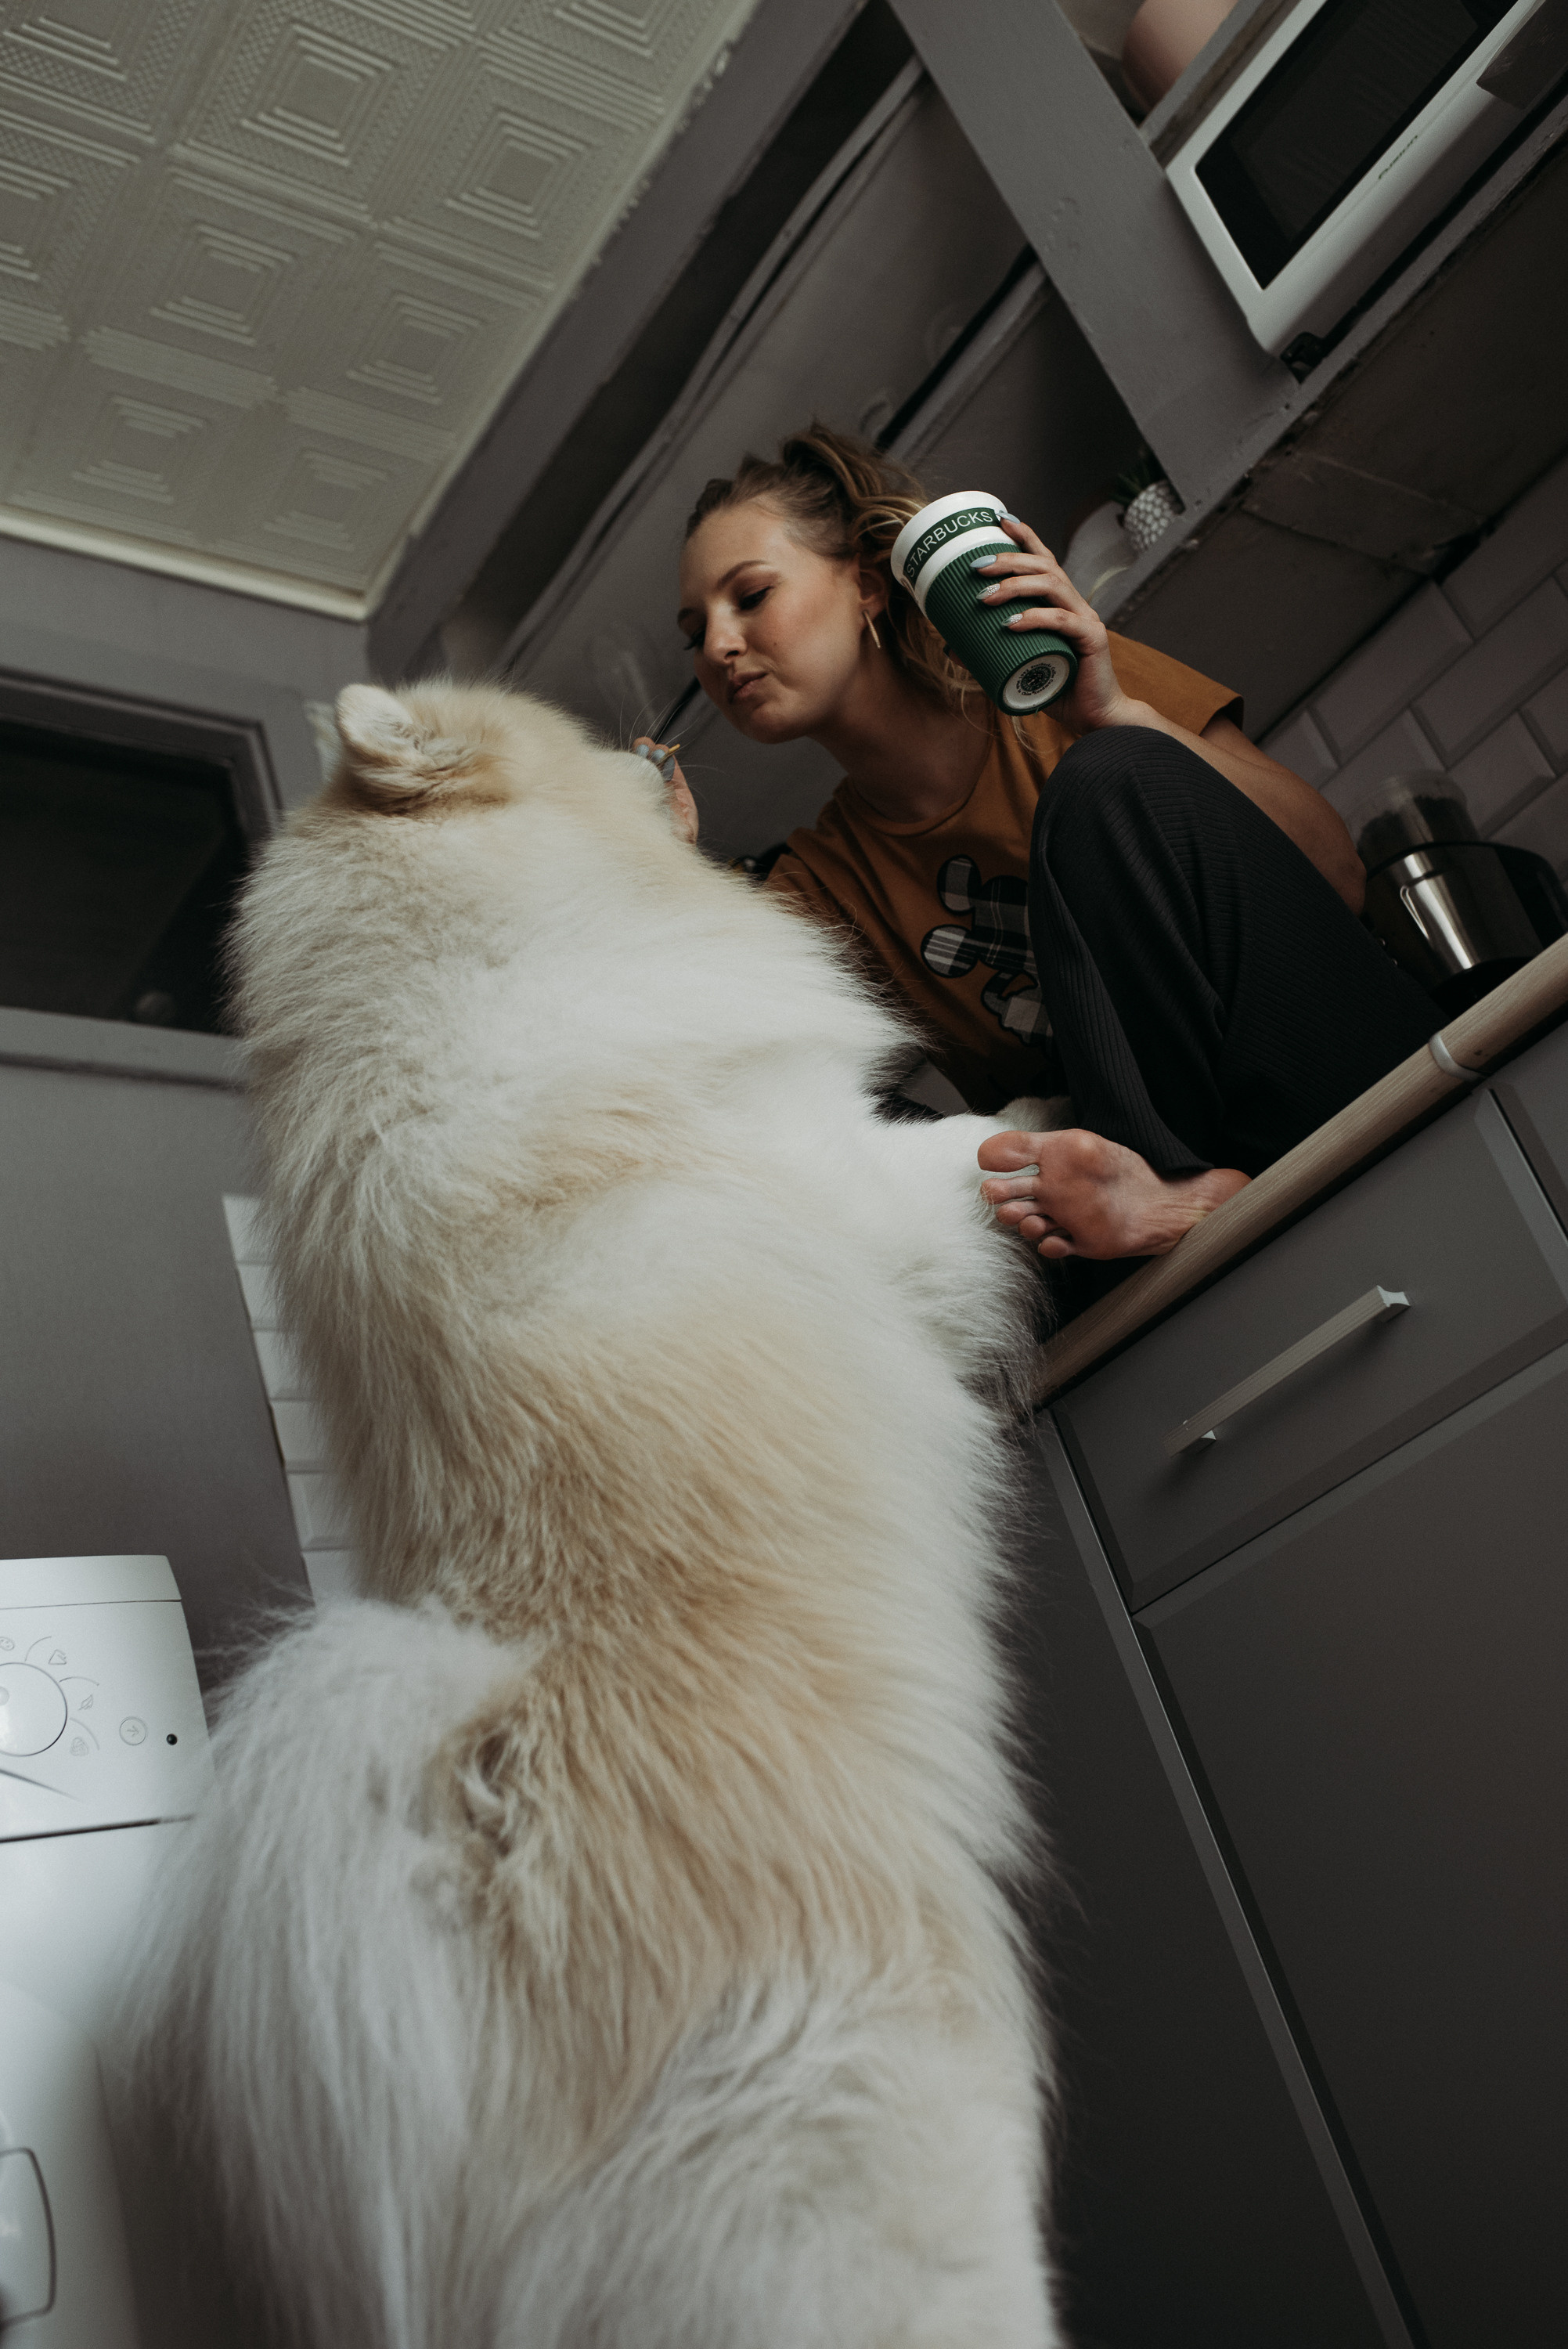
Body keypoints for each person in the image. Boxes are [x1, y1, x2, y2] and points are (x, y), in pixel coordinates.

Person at [663, 424, 1436, 1279]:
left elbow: (1336, 877)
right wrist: (657, 881)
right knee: (831, 1119)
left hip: (1328, 1070)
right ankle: (1172, 1186)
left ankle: (1169, 1183)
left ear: (868, 588)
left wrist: (1113, 713)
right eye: (693, 631)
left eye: (750, 596)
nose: (718, 648)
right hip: (1113, 1210)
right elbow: (727, 1096)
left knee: (1108, 774)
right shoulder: (818, 887)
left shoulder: (1048, 675)